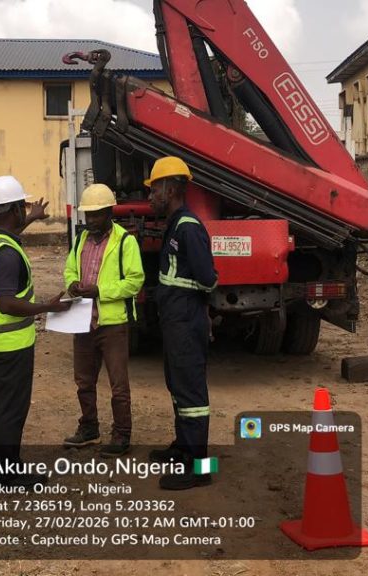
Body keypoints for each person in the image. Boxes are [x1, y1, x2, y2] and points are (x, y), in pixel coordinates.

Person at [0, 175, 71, 487]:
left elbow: (7, 236)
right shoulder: (8, 256)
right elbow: (8, 303)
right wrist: (47, 307)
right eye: (22, 208)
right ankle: (6, 472)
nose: (25, 211)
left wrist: (33, 218)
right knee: (10, 410)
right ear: (12, 210)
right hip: (11, 343)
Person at [144, 157, 218, 491]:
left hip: (187, 322)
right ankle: (183, 448)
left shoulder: (188, 227)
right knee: (177, 385)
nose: (150, 197)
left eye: (154, 189)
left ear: (171, 189)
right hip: (176, 321)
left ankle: (200, 467)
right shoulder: (175, 224)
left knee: (192, 395)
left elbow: (207, 278)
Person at [61, 184, 145, 457]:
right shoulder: (80, 240)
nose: (91, 221)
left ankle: (122, 435)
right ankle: (89, 429)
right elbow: (70, 268)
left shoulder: (124, 242)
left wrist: (100, 291)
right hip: (83, 321)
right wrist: (72, 283)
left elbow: (135, 282)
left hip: (112, 324)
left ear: (109, 212)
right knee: (84, 381)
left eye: (97, 215)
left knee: (118, 385)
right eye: (88, 216)